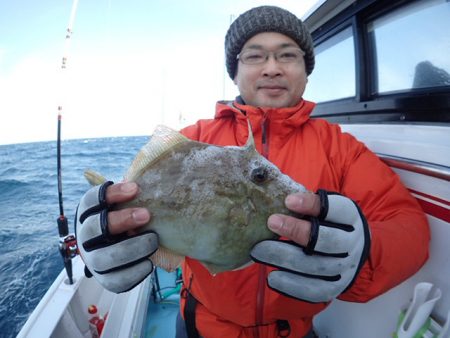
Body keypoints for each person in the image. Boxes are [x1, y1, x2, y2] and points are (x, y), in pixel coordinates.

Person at [75, 6, 430, 338]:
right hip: (203, 323)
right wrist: (102, 234)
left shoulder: (340, 148)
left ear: (306, 69)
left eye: (287, 54)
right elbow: (132, 198)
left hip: (294, 329)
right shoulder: (194, 140)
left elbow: (407, 225)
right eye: (255, 55)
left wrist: (364, 253)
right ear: (235, 71)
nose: (272, 67)